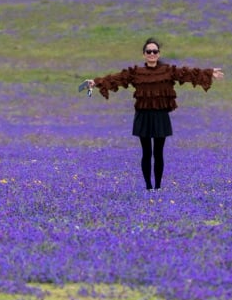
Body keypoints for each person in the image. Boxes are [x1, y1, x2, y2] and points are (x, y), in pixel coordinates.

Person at [84, 37, 224, 191]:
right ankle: (148, 188)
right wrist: (95, 82)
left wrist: (209, 73)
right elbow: (116, 79)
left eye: (154, 51)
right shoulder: (136, 72)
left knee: (158, 153)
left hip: (160, 116)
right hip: (143, 116)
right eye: (148, 51)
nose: (151, 54)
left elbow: (187, 74)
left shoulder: (168, 71)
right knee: (146, 152)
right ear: (144, 54)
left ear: (158, 54)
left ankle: (157, 188)